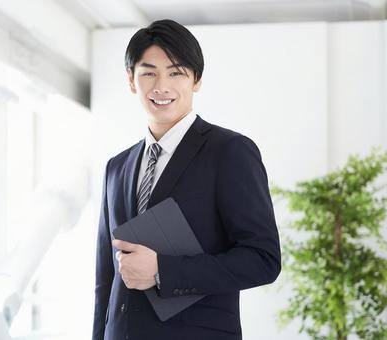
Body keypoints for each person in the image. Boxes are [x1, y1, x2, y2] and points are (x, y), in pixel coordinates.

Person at [92, 19, 281, 340]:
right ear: (131, 80)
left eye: (176, 72)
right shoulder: (117, 166)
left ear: (196, 80)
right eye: (149, 72)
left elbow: (262, 260)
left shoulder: (230, 151)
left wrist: (163, 272)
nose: (161, 86)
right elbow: (105, 277)